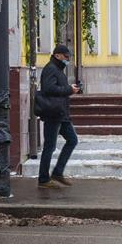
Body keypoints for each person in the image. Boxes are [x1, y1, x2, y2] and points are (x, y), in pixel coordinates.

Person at [35, 44, 80, 187]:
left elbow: (58, 89)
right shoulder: (51, 69)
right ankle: (43, 179)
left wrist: (70, 89)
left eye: (68, 57)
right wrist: (68, 89)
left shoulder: (58, 69)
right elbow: (49, 89)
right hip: (53, 114)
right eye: (66, 57)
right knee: (50, 146)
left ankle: (58, 173)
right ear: (57, 55)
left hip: (61, 113)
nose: (68, 59)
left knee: (72, 140)